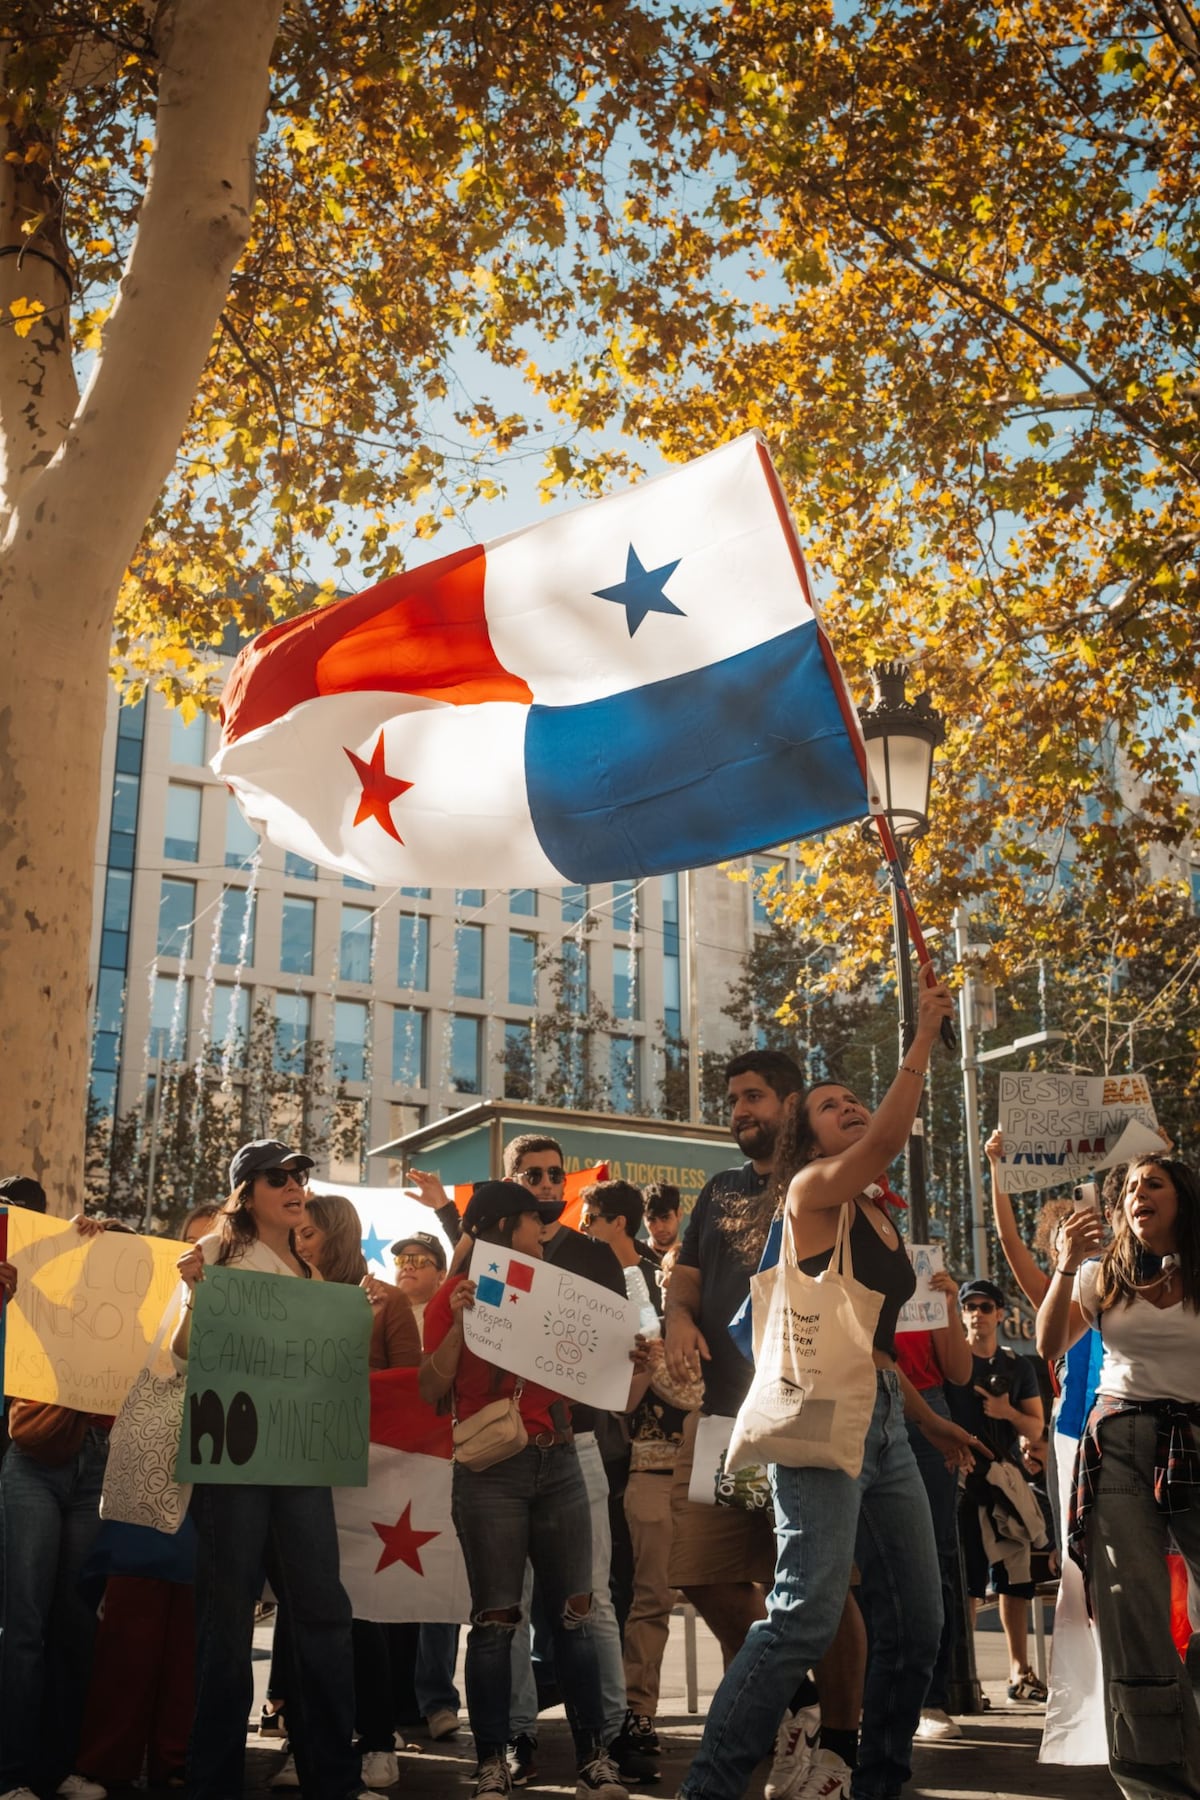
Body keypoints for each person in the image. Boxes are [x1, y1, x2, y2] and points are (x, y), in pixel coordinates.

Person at [678, 974, 987, 1800]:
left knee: (919, 1621)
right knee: (803, 1614)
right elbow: (884, 1143)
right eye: (831, 1105)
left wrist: (927, 1421)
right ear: (802, 1134)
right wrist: (923, 1036)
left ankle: (863, 1780)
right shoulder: (809, 1193)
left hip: (884, 1422)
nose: (850, 1107)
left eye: (855, 1100)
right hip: (817, 1414)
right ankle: (709, 1786)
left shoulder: (879, 1214)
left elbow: (871, 1353)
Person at [663, 1050, 869, 1800]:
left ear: (790, 1104)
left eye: (753, 1097)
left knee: (823, 1594)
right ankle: (796, 1708)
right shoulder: (719, 1190)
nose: (739, 1111)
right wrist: (678, 1320)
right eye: (733, 1100)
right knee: (703, 1575)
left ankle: (837, 1750)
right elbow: (685, 1281)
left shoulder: (826, 1182)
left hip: (804, 1415)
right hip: (723, 1421)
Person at [419, 1179, 631, 1800]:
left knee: (576, 1617)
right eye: (534, 1221)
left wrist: (633, 1363)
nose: (544, 1230)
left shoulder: (555, 1290)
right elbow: (431, 1390)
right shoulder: (451, 1296)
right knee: (495, 1622)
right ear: (502, 1228)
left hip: (561, 1462)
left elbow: (605, 1383)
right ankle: (491, 1762)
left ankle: (594, 1761)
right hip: (491, 1475)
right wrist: (459, 1324)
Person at [174, 1139, 371, 1800]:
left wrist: (354, 1327)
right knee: (227, 1621)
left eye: (301, 1175)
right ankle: (213, 1780)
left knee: (323, 1612)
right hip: (232, 1464)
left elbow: (322, 1375)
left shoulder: (313, 1274)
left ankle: (332, 1777)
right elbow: (180, 1351)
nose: (295, 1185)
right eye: (278, 1177)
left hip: (300, 1464)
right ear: (246, 1192)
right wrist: (196, 1296)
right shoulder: (213, 1255)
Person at [1037, 1153, 1200, 1800]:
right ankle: (1156, 1783)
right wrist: (1065, 1264)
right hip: (1120, 1443)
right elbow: (1049, 1344)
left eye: (1153, 1183)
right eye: (1130, 1187)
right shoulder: (1101, 1274)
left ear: (1183, 1200)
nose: (1138, 1193)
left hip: (1194, 1440)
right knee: (1133, 1615)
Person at [501, 1136, 643, 1785]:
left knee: (594, 1599)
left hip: (578, 1442)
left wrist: (635, 1358)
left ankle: (610, 1734)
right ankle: (516, 1735)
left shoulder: (595, 1255)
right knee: (510, 1603)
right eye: (532, 1174)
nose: (546, 1183)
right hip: (504, 1448)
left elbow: (614, 1346)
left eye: (555, 1175)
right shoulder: (489, 1253)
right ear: (511, 1180)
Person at [0, 1209, 115, 1800]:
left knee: (75, 1622)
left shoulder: (133, 1325)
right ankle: (12, 1774)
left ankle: (59, 1766)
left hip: (98, 1466)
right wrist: (66, 1238)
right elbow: (17, 1265)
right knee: (25, 1620)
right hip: (35, 1461)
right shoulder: (47, 1304)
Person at [582, 1181, 697, 1765]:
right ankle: (636, 1711)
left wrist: (661, 1361)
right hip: (640, 1461)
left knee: (738, 1591)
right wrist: (640, 1370)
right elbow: (619, 1390)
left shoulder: (669, 1282)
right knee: (644, 1596)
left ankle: (758, 1712)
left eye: (592, 1219)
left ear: (619, 1223)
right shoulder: (591, 1286)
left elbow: (699, 1372)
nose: (584, 1229)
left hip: (707, 1460)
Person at [946, 1276, 1047, 1703]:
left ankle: (1020, 1672)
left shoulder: (1016, 1366)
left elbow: (1036, 1427)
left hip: (1004, 1483)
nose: (977, 1314)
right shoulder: (952, 1363)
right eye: (970, 1307)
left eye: (986, 1307)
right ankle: (965, 1676)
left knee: (1014, 1580)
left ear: (1000, 1314)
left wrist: (1006, 1411)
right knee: (967, 1581)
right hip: (963, 1480)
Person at [892, 1259, 973, 1744]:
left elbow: (959, 1371)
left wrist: (947, 1305)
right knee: (861, 1561)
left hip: (928, 1412)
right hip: (864, 1407)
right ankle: (866, 1693)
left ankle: (931, 1697)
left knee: (934, 1555)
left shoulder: (923, 1279)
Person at [642, 1185, 682, 1261]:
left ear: (679, 1214)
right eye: (651, 1219)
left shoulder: (694, 1258)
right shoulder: (632, 1254)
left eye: (665, 1218)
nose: (659, 1228)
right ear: (643, 1219)